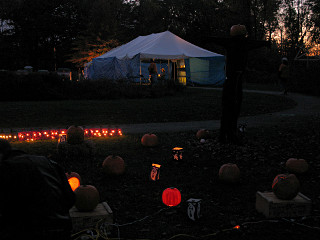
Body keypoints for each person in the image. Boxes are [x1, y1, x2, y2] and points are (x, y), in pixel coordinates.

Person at [0, 139, 75, 240]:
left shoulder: (5, 170)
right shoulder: (49, 162)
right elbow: (70, 198)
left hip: (29, 232)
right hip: (63, 229)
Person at [211, 24, 271, 144]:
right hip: (236, 78)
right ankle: (229, 133)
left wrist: (205, 39)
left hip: (231, 79)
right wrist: (266, 43)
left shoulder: (232, 43)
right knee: (233, 106)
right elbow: (255, 43)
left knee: (228, 107)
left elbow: (216, 40)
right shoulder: (244, 43)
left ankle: (225, 134)